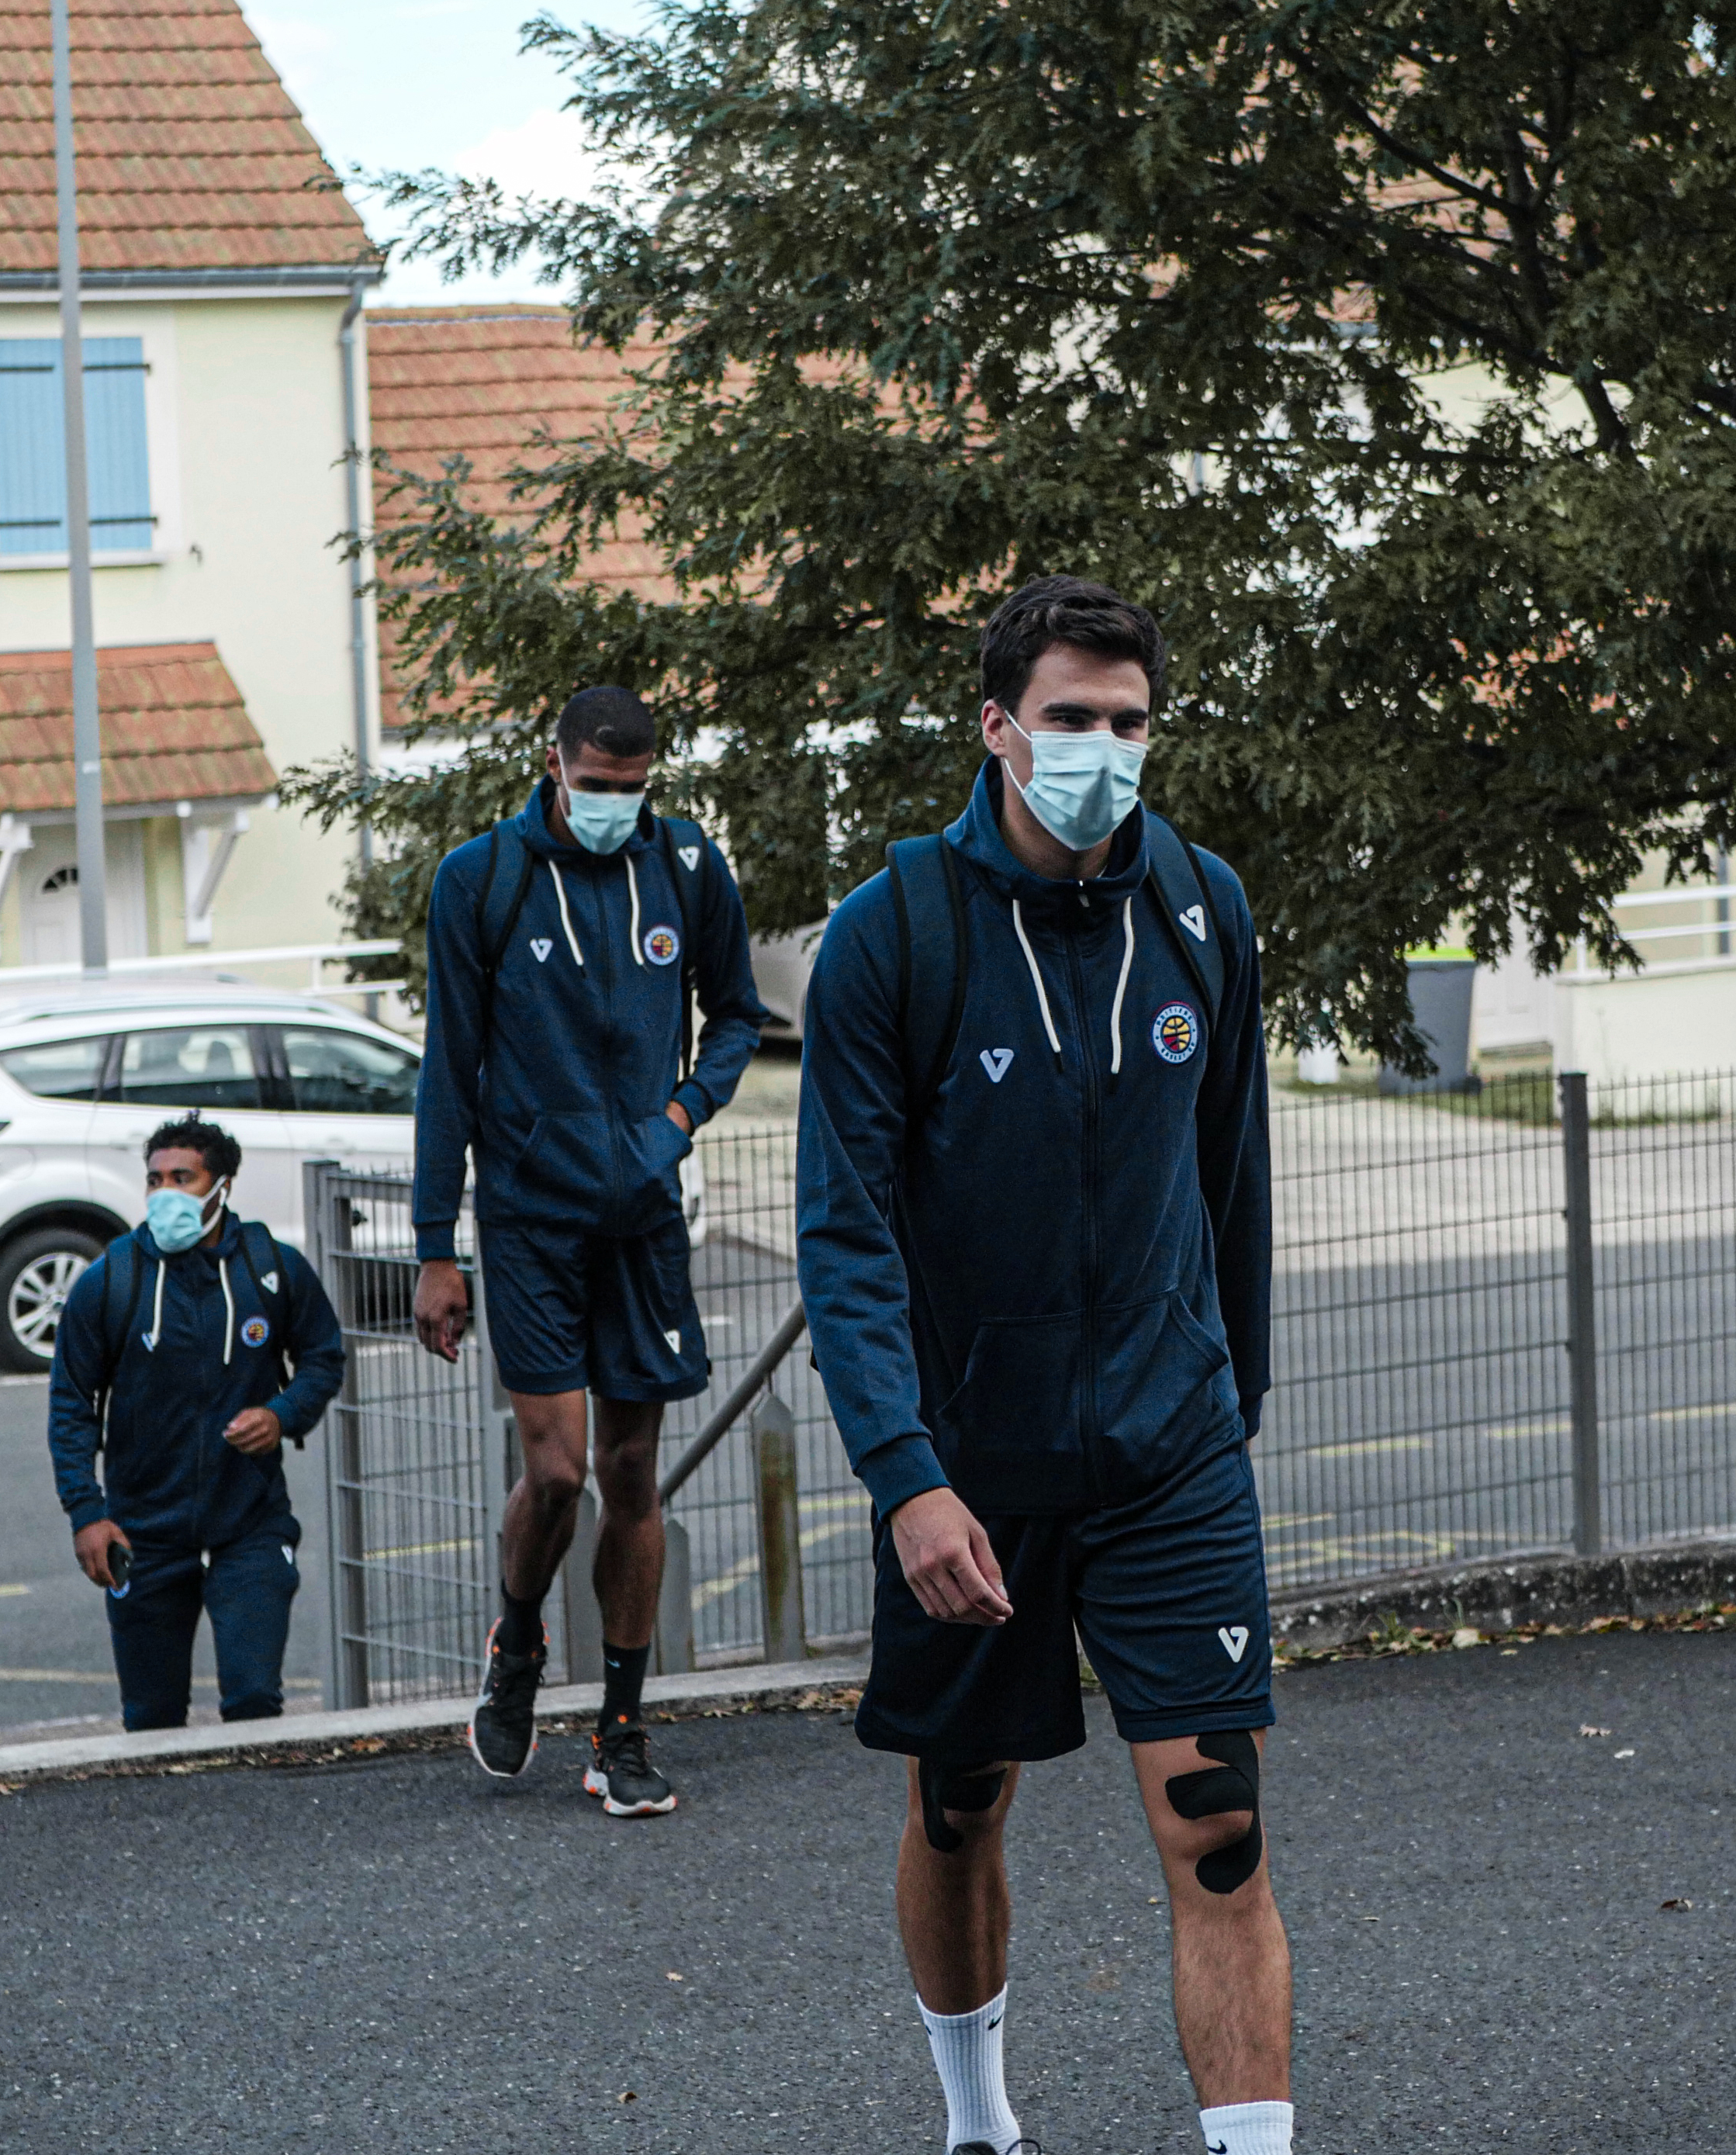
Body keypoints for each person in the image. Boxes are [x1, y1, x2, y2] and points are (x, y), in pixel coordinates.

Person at [797, 578, 1288, 2155]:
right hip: (971, 1476)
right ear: (999, 726)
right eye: (1071, 720)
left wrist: (1229, 1407)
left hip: (1170, 1458)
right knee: (962, 1805)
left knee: (1218, 1830)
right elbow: (846, 1238)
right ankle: (978, 2120)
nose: (1102, 750)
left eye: (1129, 723)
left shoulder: (1202, 909)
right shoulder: (895, 936)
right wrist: (908, 1477)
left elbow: (1233, 1191)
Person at [412, 684, 769, 1817]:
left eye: (635, 787)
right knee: (558, 1473)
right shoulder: (482, 879)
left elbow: (741, 1018)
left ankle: (621, 1728)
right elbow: (447, 1071)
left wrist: (678, 1119)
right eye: (598, 784)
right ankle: (516, 1642)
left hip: (644, 1215)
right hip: (528, 1215)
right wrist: (433, 1246)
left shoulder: (690, 870)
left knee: (631, 1475)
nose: (616, 804)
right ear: (555, 765)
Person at [47, 1114, 346, 1731]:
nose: (165, 1194)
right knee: (152, 1719)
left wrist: (283, 1413)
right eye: (154, 1180)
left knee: (255, 1704)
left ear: (222, 1187)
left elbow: (323, 1356)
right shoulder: (112, 1281)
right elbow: (72, 1402)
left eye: (182, 1178)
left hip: (251, 1526)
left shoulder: (273, 1268)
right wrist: (87, 1513)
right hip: (143, 1535)